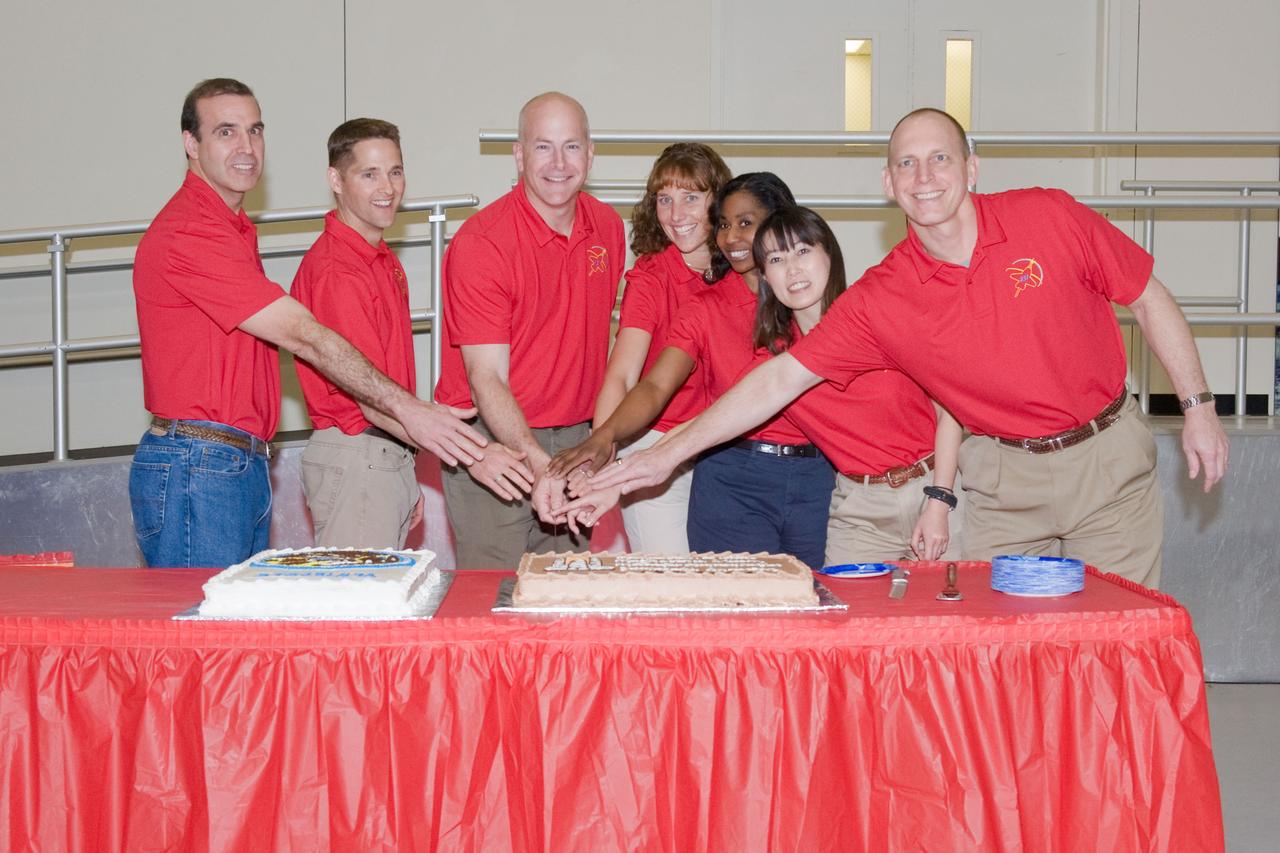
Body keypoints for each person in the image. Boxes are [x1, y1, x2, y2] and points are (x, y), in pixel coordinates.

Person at [588, 108, 1229, 587]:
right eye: (906, 164)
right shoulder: (883, 296)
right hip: (1001, 482)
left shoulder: (1049, 216)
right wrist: (658, 458)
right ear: (889, 185)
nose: (924, 178)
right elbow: (778, 380)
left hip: (1105, 458)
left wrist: (1197, 404)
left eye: (940, 159)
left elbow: (1147, 294)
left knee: (1113, 640)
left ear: (971, 168)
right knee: (991, 655)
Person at [129, 78, 486, 568]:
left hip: (235, 462)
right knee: (208, 637)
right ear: (191, 144)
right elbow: (304, 335)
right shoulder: (192, 232)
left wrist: (402, 457)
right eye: (226, 132)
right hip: (201, 463)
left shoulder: (232, 228)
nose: (247, 147)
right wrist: (414, 416)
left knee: (235, 638)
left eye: (254, 131)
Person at [560, 206, 961, 563]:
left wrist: (939, 500)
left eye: (803, 251)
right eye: (776, 258)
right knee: (843, 631)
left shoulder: (874, 315)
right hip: (859, 509)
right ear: (765, 275)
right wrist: (619, 476)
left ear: (829, 255)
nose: (793, 269)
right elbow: (713, 421)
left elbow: (949, 411)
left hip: (935, 486)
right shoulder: (775, 357)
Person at [540, 173, 835, 569]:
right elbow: (656, 385)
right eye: (724, 224)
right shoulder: (703, 307)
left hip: (817, 477)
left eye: (745, 223)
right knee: (733, 615)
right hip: (733, 476)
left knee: (818, 612)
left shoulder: (811, 300)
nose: (731, 238)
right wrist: (606, 438)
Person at [433, 92, 625, 569]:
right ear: (519, 155)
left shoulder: (608, 228)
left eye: (572, 147)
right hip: (495, 441)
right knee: (494, 601)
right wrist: (540, 464)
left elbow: (604, 351)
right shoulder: (482, 243)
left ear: (591, 153)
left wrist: (600, 443)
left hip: (578, 435)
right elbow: (486, 378)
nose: (558, 163)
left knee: (566, 601)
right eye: (543, 147)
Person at [548, 143, 731, 553]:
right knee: (669, 580)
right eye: (664, 199)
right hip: (653, 442)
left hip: (724, 445)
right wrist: (601, 448)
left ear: (717, 200)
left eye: (690, 197)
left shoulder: (745, 271)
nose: (676, 214)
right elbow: (623, 374)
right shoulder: (651, 275)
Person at [290, 118, 426, 548]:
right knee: (358, 608)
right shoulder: (338, 271)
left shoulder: (380, 259)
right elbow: (367, 395)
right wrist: (464, 452)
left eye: (395, 171)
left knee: (379, 606)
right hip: (359, 453)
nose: (387, 187)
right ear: (335, 179)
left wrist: (404, 465)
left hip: (380, 455)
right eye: (369, 174)